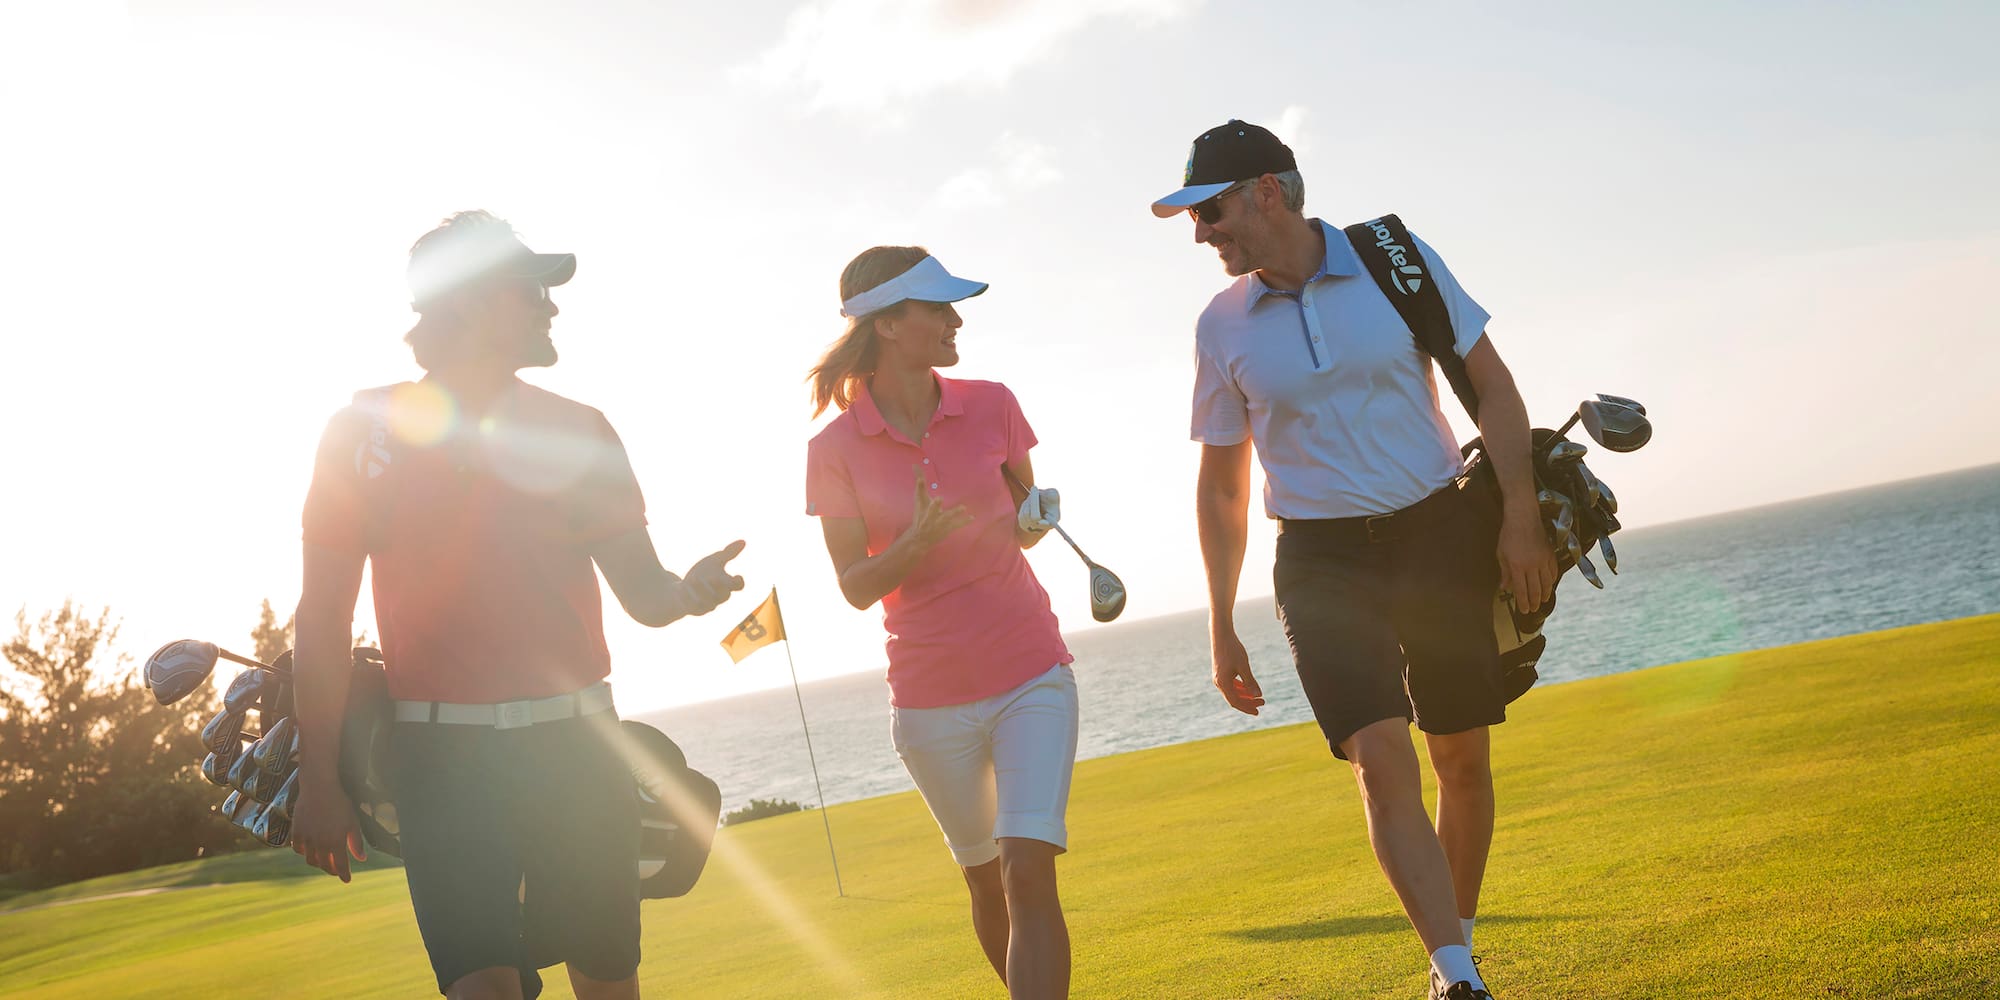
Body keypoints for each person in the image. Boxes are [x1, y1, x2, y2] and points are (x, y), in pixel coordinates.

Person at [288, 210, 746, 1000]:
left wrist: (688, 593)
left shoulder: (580, 430)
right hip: (444, 764)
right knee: (483, 989)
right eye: (531, 289)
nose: (551, 306)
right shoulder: (364, 432)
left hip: (581, 749)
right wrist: (317, 778)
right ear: (465, 304)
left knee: (608, 983)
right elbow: (322, 619)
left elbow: (645, 593)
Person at [1153, 121, 1557, 1000]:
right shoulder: (1220, 326)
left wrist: (1519, 515)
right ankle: (1456, 979)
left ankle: (1458, 943)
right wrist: (1221, 623)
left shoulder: (1395, 260)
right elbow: (1223, 487)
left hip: (1437, 532)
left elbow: (1494, 386)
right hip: (1320, 559)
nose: (1201, 232)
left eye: (1211, 210)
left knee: (1461, 759)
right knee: (1381, 757)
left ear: (1267, 190)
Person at [804, 247, 1079, 999]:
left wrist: (1035, 519)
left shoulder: (992, 403)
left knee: (1027, 868)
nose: (956, 321)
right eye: (937, 309)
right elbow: (856, 588)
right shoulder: (832, 450)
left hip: (1031, 670)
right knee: (987, 884)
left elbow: (1023, 519)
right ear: (888, 323)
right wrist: (914, 544)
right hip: (928, 699)